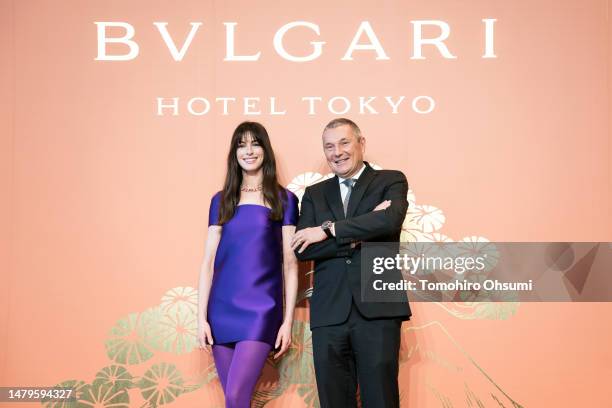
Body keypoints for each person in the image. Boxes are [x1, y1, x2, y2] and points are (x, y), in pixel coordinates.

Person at [291, 118, 411, 408]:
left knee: (381, 399)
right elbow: (303, 251)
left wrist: (327, 229)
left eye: (344, 143)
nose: (337, 152)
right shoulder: (314, 193)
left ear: (361, 144)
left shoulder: (390, 181)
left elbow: (390, 220)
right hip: (329, 311)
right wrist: (364, 230)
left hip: (378, 306)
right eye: (329, 146)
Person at [197, 121, 299, 408]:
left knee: (236, 397)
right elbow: (207, 263)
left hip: (261, 310)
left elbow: (290, 266)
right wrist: (201, 318)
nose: (249, 151)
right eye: (241, 145)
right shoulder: (221, 200)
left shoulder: (284, 200)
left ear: (265, 150)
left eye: (255, 143)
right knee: (234, 400)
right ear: (234, 153)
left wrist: (287, 322)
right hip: (221, 310)